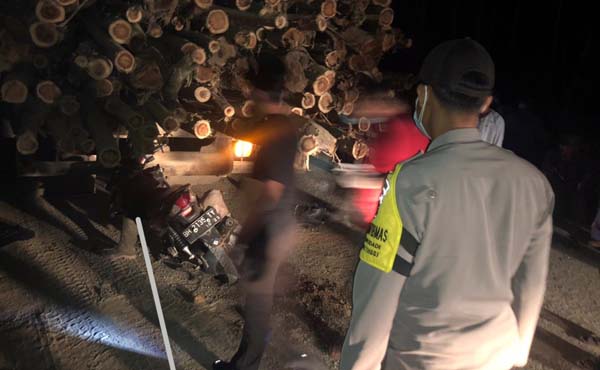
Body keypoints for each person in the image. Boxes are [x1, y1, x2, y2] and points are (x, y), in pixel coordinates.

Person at [340, 39, 554, 370]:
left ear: (423, 95)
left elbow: (378, 295)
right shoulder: (535, 184)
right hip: (495, 355)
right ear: (485, 104)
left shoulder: (411, 180)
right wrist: (518, 351)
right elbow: (531, 282)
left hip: (421, 359)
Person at [213, 53, 302, 370]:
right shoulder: (282, 126)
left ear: (263, 94)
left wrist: (246, 234)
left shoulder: (276, 132)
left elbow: (271, 193)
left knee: (258, 301)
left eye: (253, 90)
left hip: (270, 227)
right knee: (258, 299)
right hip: (277, 225)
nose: (250, 95)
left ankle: (246, 365)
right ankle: (249, 360)